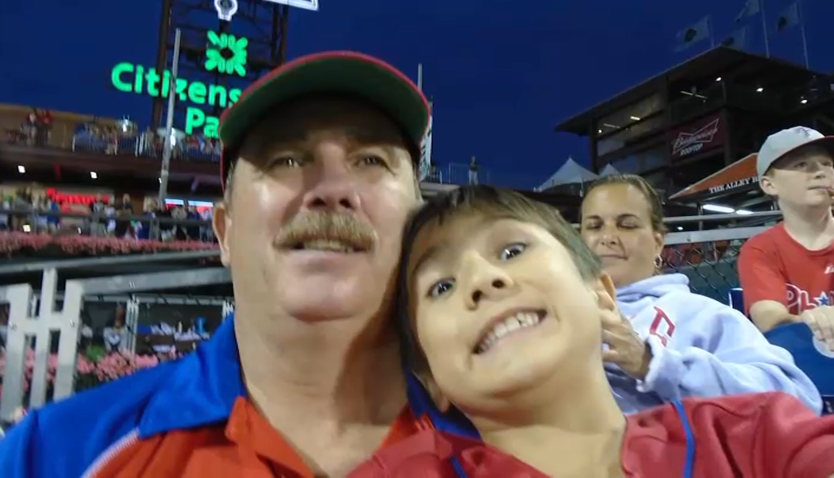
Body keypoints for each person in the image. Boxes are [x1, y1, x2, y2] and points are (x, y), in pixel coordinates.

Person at [0, 51, 431, 476]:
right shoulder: (56, 453)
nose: (332, 188)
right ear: (224, 231)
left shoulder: (495, 442)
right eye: (287, 159)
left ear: (422, 220)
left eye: (370, 160)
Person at [349, 185, 834, 477]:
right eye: (442, 286)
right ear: (428, 375)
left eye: (512, 251)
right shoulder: (406, 471)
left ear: (601, 296)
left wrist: (651, 361)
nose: (481, 279)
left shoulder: (746, 434)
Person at [579, 173, 821, 414]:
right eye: (594, 225)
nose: (607, 237)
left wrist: (653, 364)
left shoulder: (701, 315)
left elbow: (796, 398)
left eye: (627, 225)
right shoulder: (558, 313)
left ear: (658, 242)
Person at [738, 126, 834, 350]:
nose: (820, 172)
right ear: (769, 184)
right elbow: (770, 321)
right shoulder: (760, 249)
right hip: (802, 371)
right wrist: (817, 321)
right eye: (801, 165)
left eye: (827, 163)